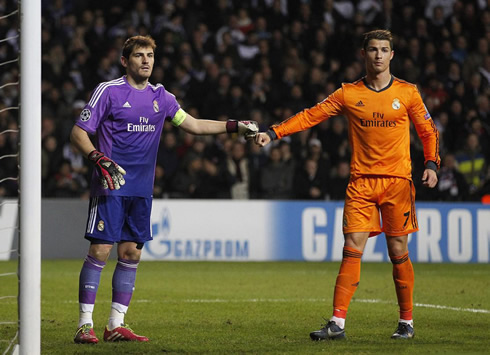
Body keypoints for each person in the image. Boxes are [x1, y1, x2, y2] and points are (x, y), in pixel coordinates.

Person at [70, 35, 258, 344]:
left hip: (142, 191)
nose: (146, 60)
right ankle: (84, 325)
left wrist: (234, 126)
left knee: (130, 253)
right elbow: (78, 134)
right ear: (124, 61)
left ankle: (115, 324)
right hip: (111, 186)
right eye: (139, 55)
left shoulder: (163, 98)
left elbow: (193, 125)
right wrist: (98, 158)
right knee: (101, 250)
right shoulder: (109, 92)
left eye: (149, 56)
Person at [254, 29, 440, 340]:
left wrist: (432, 163)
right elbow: (311, 115)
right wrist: (274, 133)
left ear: (392, 55)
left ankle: (406, 321)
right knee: (352, 248)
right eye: (372, 49)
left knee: (398, 250)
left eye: (384, 50)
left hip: (397, 182)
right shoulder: (348, 93)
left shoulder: (408, 92)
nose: (378, 55)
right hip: (361, 184)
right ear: (364, 54)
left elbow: (428, 130)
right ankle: (337, 323)